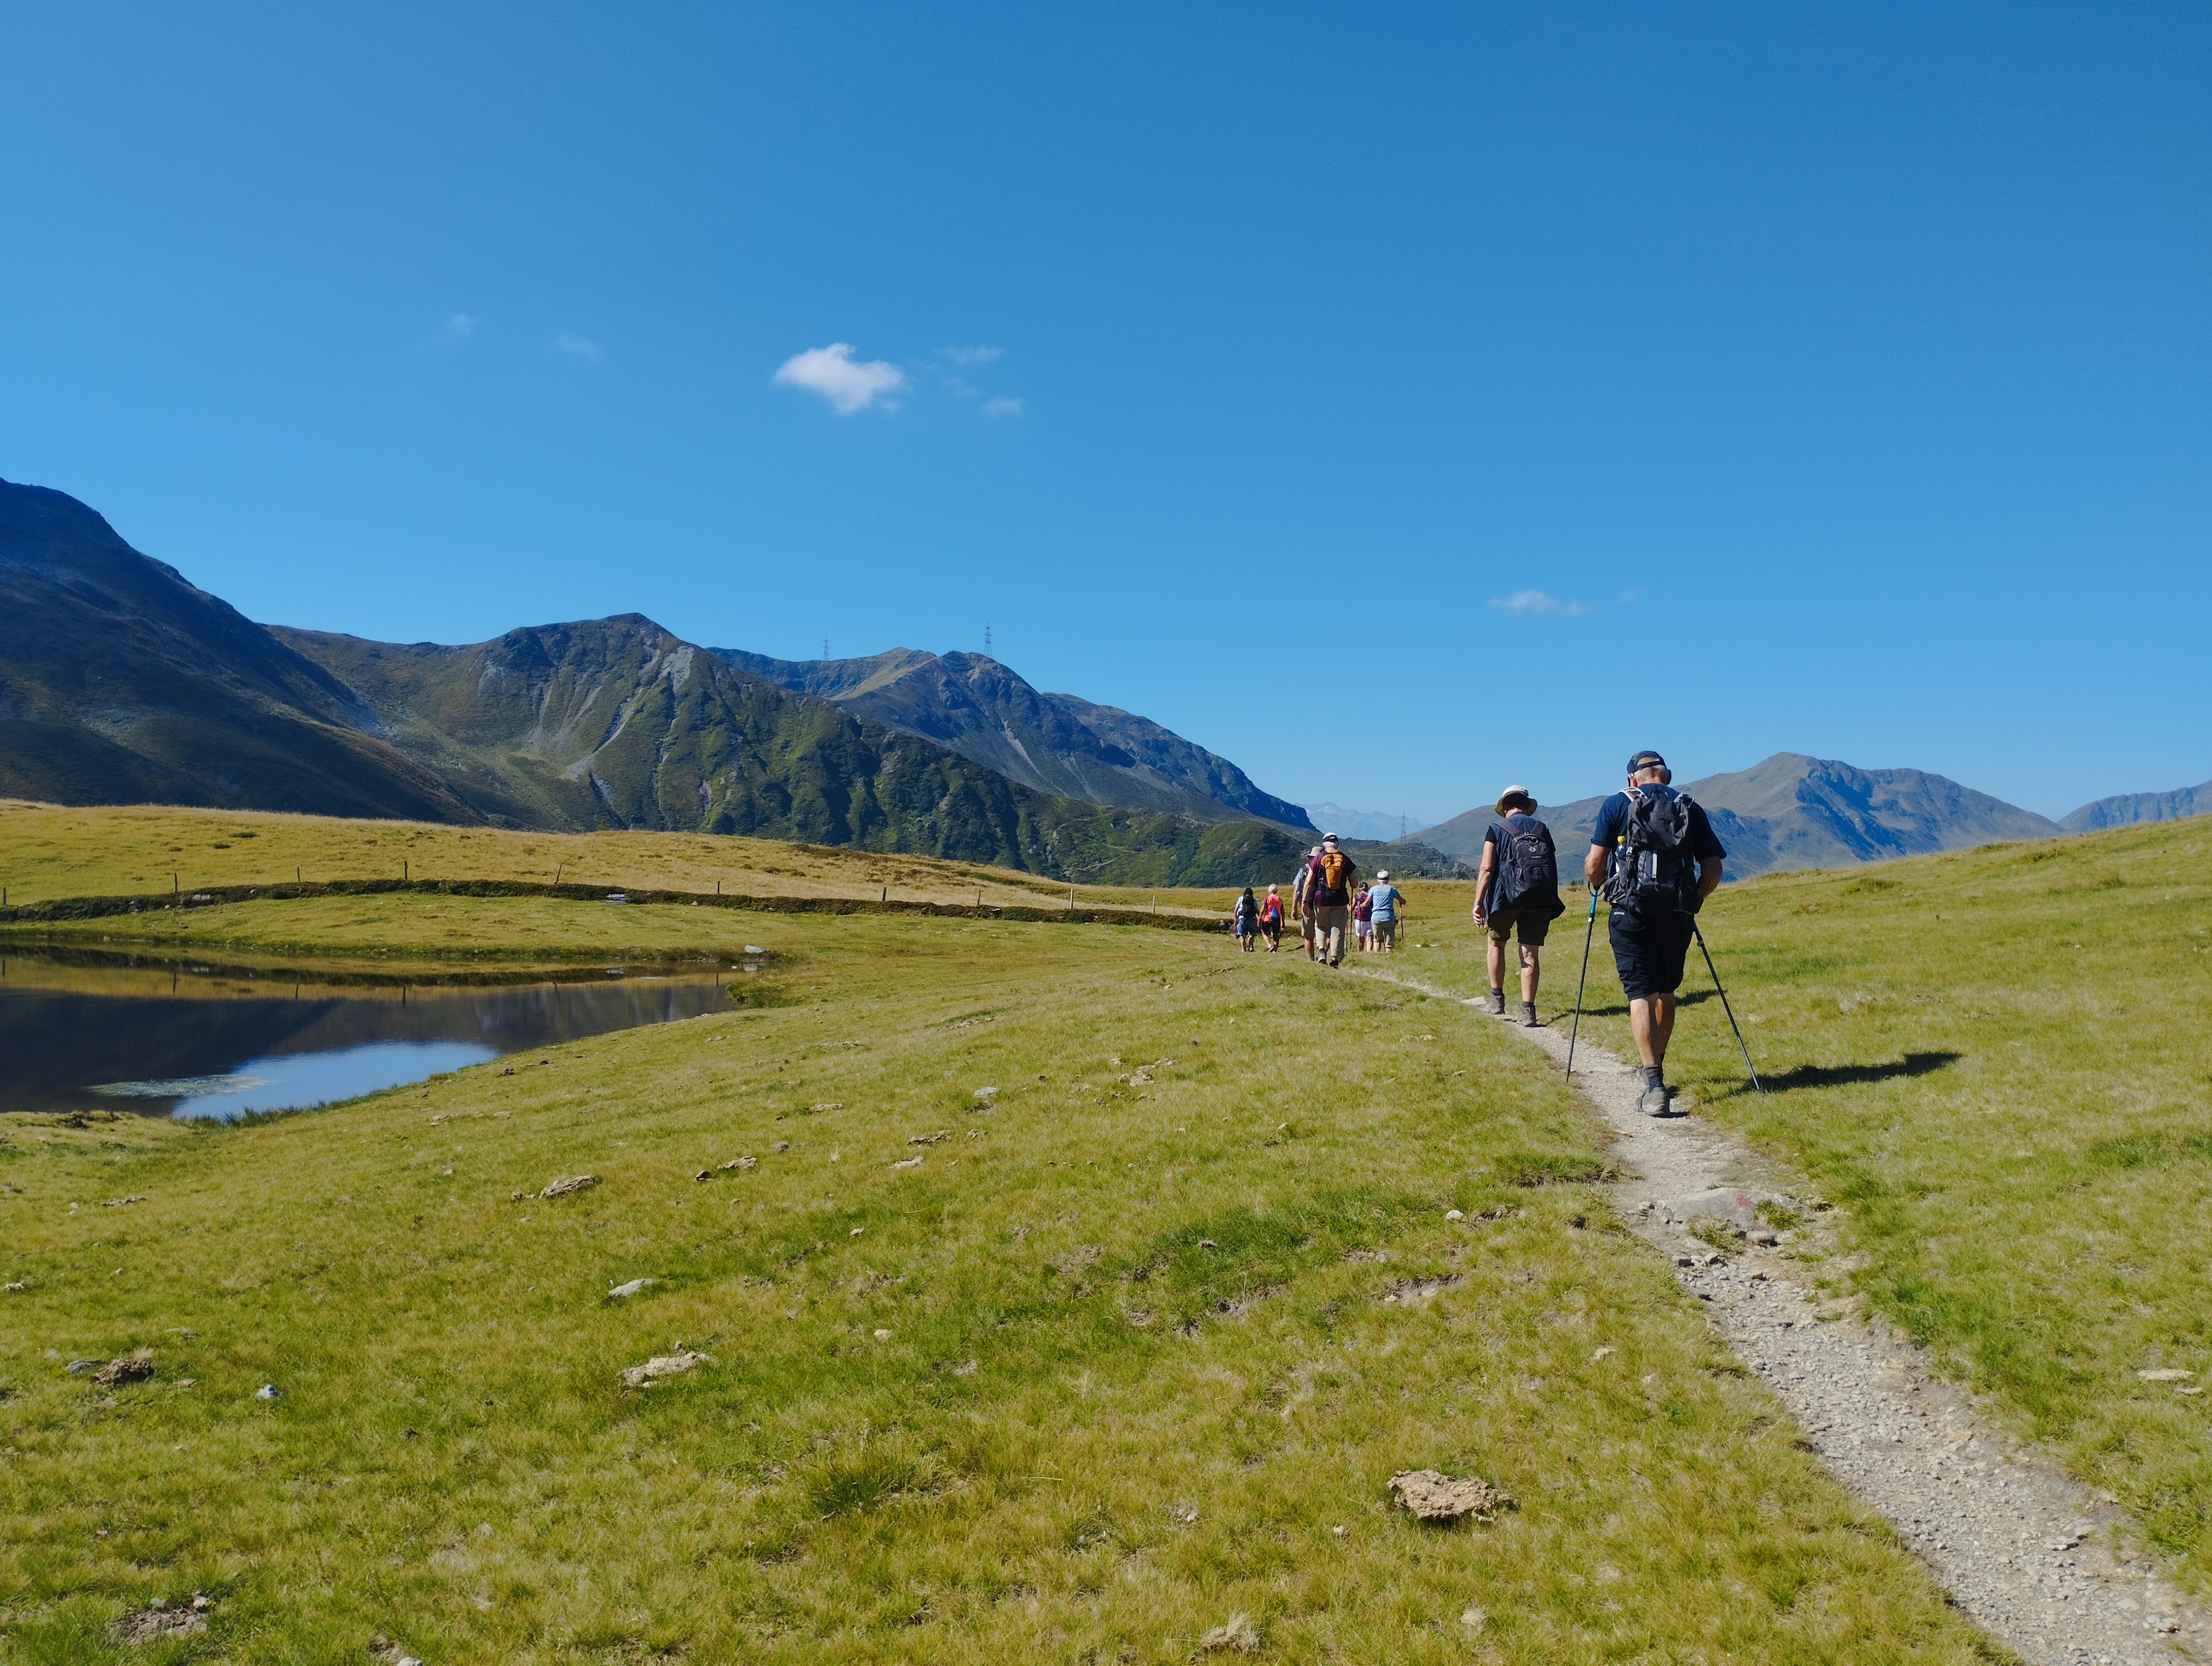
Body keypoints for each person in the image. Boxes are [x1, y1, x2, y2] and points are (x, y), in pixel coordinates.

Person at [1583, 750, 1726, 1114]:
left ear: (1633, 779)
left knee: (1640, 993)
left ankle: (1654, 1084)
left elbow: (1596, 864)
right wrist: (1693, 898)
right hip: (1677, 913)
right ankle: (1657, 1067)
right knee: (1666, 991)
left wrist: (1601, 886)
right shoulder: (1690, 808)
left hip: (1631, 913)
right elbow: (1713, 868)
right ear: (1668, 775)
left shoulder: (1617, 804)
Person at [1471, 786, 1564, 1025]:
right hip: (1538, 899)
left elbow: (1487, 869)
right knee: (1530, 953)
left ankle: (1497, 1000)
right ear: (1526, 806)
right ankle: (1528, 1011)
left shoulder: (1495, 830)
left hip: (1504, 899)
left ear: (1504, 808)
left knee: (1496, 943)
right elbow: (1551, 867)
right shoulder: (1541, 829)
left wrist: (1479, 902)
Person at [1302, 834, 1359, 966]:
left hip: (1321, 899)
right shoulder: (1344, 858)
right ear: (1337, 845)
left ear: (1324, 845)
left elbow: (1309, 882)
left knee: (1320, 926)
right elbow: (1355, 884)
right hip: (1340, 900)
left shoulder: (1318, 859)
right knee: (1337, 928)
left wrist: (1304, 902)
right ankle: (1335, 959)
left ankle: (1321, 951)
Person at [1291, 845, 1321, 960]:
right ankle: (1323, 955)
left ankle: (1310, 959)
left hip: (1307, 906)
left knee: (1309, 936)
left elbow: (1297, 890)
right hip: (1322, 905)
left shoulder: (1304, 870)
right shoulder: (1325, 869)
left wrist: (1294, 908)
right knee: (1324, 931)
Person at [1367, 868, 1404, 952]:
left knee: (1377, 940)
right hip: (1389, 916)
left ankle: (1377, 958)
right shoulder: (1392, 889)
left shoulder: (1373, 889)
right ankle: (1389, 958)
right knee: (1389, 941)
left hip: (1376, 917)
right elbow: (1402, 900)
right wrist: (1403, 902)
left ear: (1378, 880)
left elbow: (1366, 903)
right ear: (1388, 879)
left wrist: (1360, 906)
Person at [1232, 886, 1259, 952]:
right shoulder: (1254, 901)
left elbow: (1236, 909)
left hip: (1242, 918)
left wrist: (1236, 918)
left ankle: (1244, 950)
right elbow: (1257, 910)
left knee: (1243, 935)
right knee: (1252, 934)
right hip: (1252, 918)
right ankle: (1251, 947)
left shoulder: (1241, 899)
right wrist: (1260, 919)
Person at [1258, 883, 1284, 952]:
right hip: (1277, 918)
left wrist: (1260, 918)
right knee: (1276, 935)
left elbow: (1263, 909)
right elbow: (1282, 912)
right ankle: (1274, 951)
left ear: (1269, 891)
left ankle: (1269, 945)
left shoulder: (1268, 898)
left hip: (1268, 918)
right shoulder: (1279, 899)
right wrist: (1283, 922)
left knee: (1264, 932)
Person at [1352, 882, 1374, 952]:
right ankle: (1368, 953)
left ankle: (1360, 953)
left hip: (1359, 920)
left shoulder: (1357, 897)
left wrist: (1347, 906)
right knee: (1370, 938)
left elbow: (1351, 909)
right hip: (1370, 919)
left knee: (1361, 939)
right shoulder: (1370, 897)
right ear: (1367, 888)